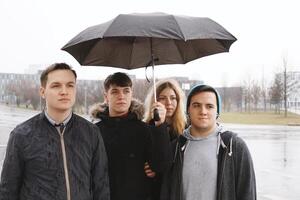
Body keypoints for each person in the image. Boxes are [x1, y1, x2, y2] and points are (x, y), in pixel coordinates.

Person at [0, 63, 110, 200]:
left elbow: (101, 185)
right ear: (42, 92)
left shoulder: (91, 132)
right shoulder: (22, 135)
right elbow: (8, 190)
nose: (64, 91)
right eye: (56, 85)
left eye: (70, 85)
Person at [161, 84, 257, 200]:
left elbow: (247, 193)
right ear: (188, 110)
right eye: (196, 106)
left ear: (217, 111)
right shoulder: (176, 147)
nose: (203, 111)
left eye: (209, 106)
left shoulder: (234, 146)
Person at [90, 72, 171, 200]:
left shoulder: (145, 130)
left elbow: (161, 165)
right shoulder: (94, 131)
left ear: (131, 94)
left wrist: (160, 125)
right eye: (115, 92)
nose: (121, 96)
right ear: (106, 96)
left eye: (126, 91)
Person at [143, 79, 187, 199]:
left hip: (178, 190)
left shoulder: (186, 129)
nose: (169, 103)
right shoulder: (146, 128)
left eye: (173, 98)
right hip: (155, 192)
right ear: (155, 101)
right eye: (162, 98)